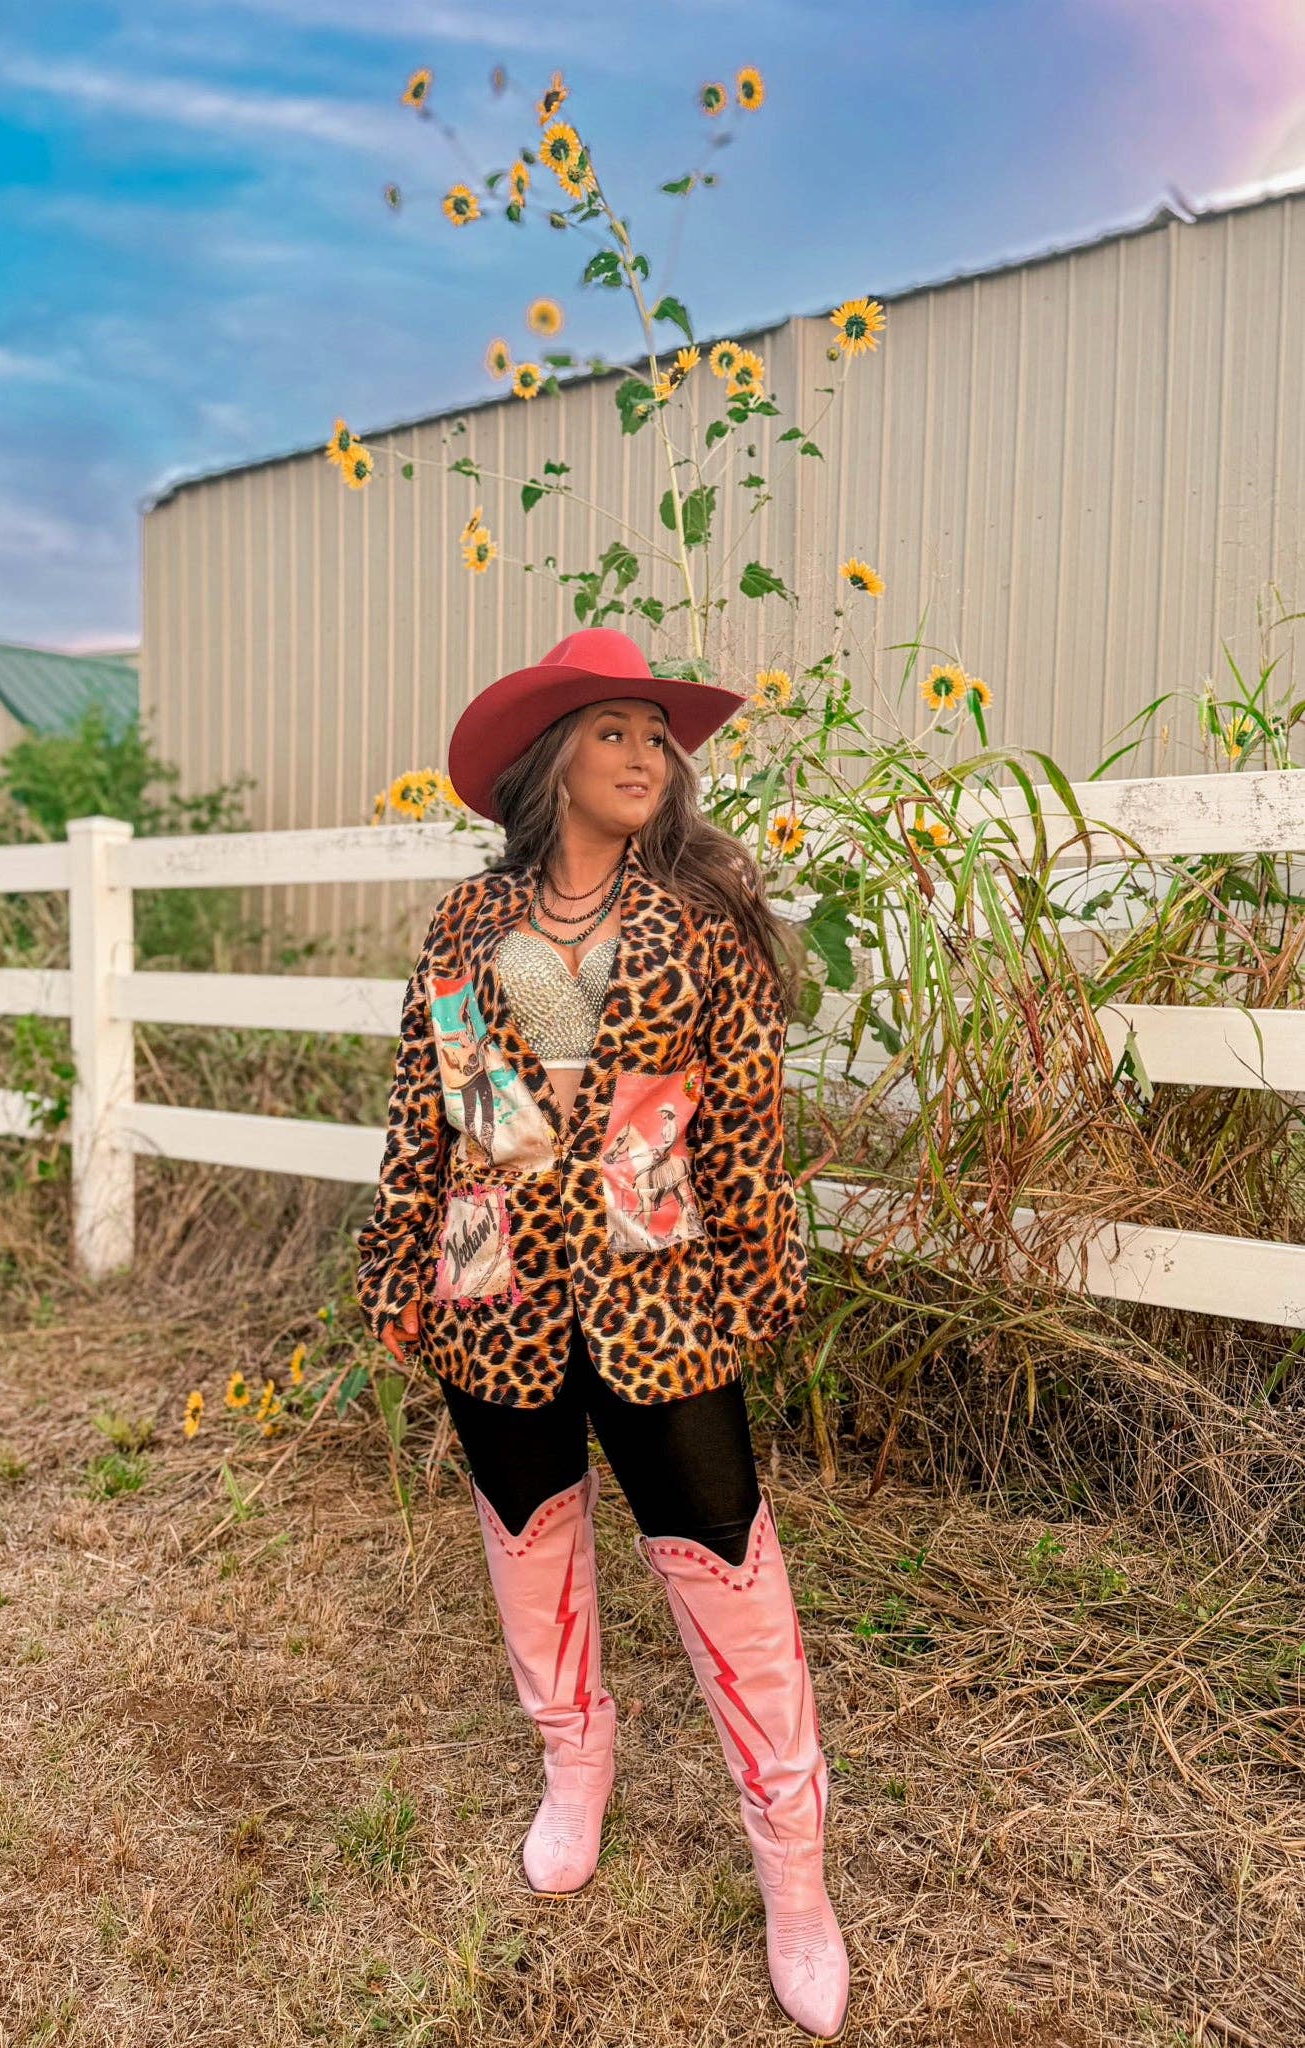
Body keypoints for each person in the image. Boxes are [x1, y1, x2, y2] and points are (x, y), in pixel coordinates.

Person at [355, 625, 849, 2039]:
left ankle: (794, 1877)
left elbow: (747, 1116)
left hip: (659, 1281)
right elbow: (434, 1110)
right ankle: (576, 1769)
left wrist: (758, 1275)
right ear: (551, 760)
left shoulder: (697, 918)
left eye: (657, 736)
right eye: (613, 732)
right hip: (488, 1269)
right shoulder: (469, 923)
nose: (645, 757)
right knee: (527, 1534)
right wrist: (404, 1262)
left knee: (726, 1561)